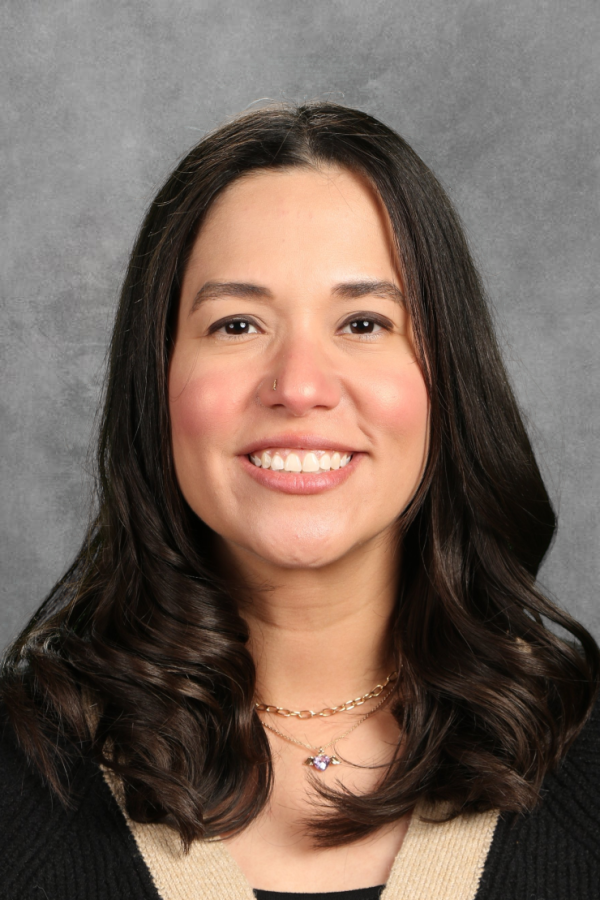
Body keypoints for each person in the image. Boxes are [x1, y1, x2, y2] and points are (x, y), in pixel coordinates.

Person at [1, 102, 598, 900]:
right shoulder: (20, 780)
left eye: (363, 321)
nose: (299, 387)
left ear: (445, 379)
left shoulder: (584, 767)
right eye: (238, 323)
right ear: (160, 381)